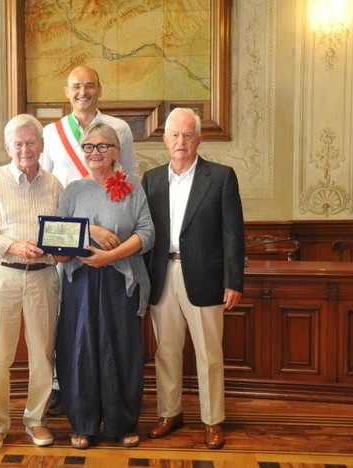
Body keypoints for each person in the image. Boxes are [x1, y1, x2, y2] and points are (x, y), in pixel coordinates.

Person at [141, 107, 245, 450]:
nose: (181, 142)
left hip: (205, 277)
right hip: (162, 275)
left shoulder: (221, 176)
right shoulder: (151, 179)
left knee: (209, 354)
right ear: (165, 140)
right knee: (166, 352)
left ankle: (213, 420)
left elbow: (233, 234)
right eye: (175, 135)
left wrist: (234, 281)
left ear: (199, 139)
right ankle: (169, 413)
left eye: (188, 135)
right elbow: (144, 232)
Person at [40, 65, 140, 415]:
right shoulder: (50, 133)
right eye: (76, 87)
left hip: (114, 243)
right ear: (66, 92)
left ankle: (113, 404)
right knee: (69, 324)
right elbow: (47, 190)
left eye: (90, 86)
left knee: (113, 334)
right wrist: (78, 232)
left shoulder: (119, 129)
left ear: (100, 89)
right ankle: (61, 387)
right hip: (68, 242)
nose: (83, 92)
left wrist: (118, 235)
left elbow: (130, 178)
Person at [54, 122, 154, 449]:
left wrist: (109, 258)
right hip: (79, 283)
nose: (94, 153)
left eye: (102, 147)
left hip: (119, 282)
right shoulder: (72, 191)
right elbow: (58, 237)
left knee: (121, 351)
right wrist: (91, 231)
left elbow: (147, 234)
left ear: (115, 152)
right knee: (79, 350)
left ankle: (122, 423)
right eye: (89, 147)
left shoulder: (133, 188)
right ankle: (83, 425)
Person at [0, 114, 63, 452]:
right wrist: (13, 246)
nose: (25, 149)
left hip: (43, 278)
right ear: (7, 147)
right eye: (18, 143)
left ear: (41, 146)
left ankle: (35, 420)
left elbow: (63, 230)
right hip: (2, 275)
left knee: (43, 355)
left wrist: (64, 251)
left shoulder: (54, 184)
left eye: (31, 142)